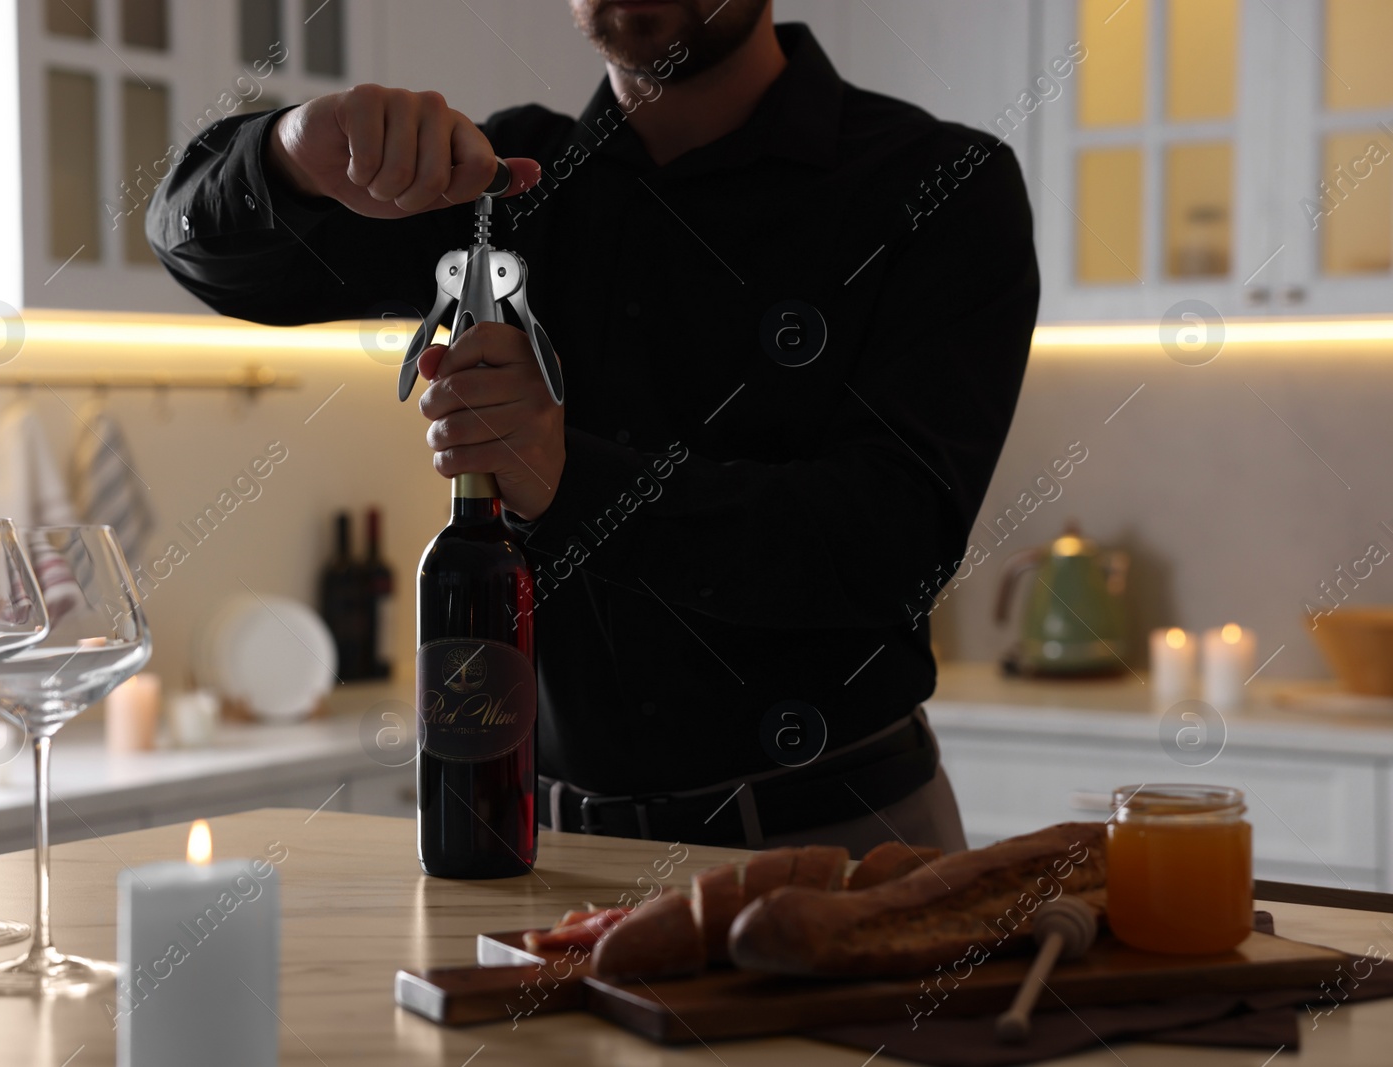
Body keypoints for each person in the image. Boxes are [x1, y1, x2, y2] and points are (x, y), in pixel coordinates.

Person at [147, 0, 1038, 856]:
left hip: (839, 848)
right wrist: (286, 153)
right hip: (540, 857)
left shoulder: (941, 185)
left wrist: (569, 477)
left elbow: (892, 542)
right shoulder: (498, 181)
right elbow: (198, 244)